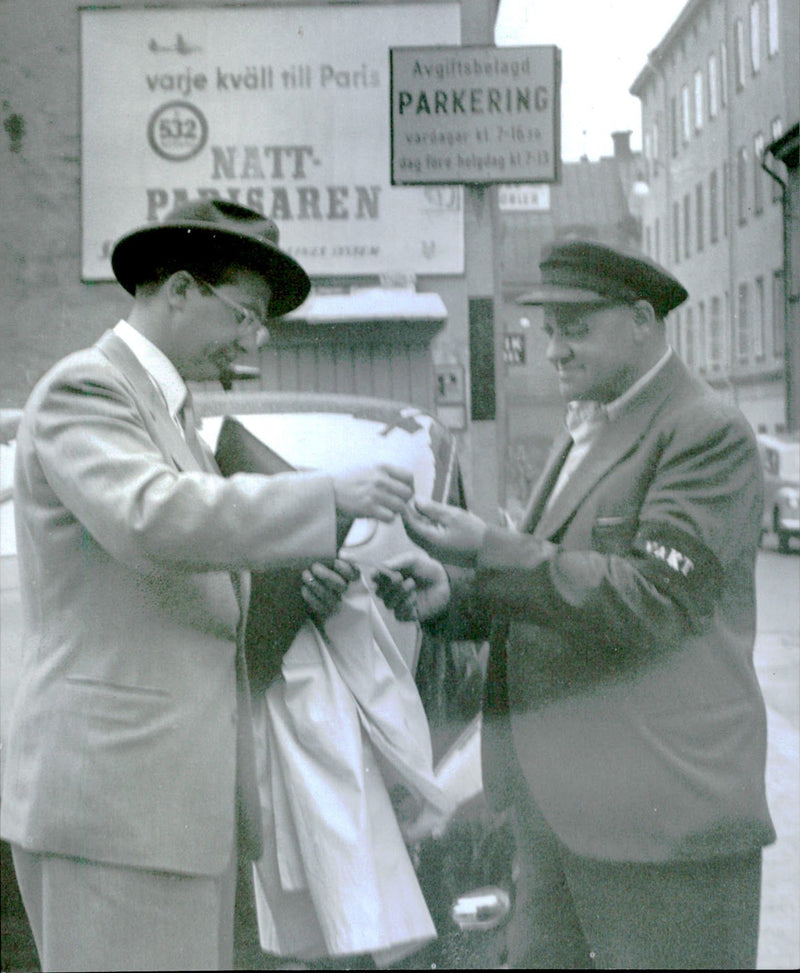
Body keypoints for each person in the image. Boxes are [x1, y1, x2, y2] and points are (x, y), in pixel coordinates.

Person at [0, 198, 415, 973]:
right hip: (117, 808)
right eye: (246, 315)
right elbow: (153, 518)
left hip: (160, 805)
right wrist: (329, 496)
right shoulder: (84, 390)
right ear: (182, 289)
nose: (254, 341)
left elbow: (192, 574)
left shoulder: (168, 414)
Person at [375, 239, 776, 970]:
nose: (553, 350)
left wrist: (492, 547)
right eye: (546, 332)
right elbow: (558, 585)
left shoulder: (704, 430)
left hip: (660, 821)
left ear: (643, 320)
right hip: (563, 813)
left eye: (575, 328)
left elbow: (652, 600)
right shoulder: (593, 424)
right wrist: (454, 598)